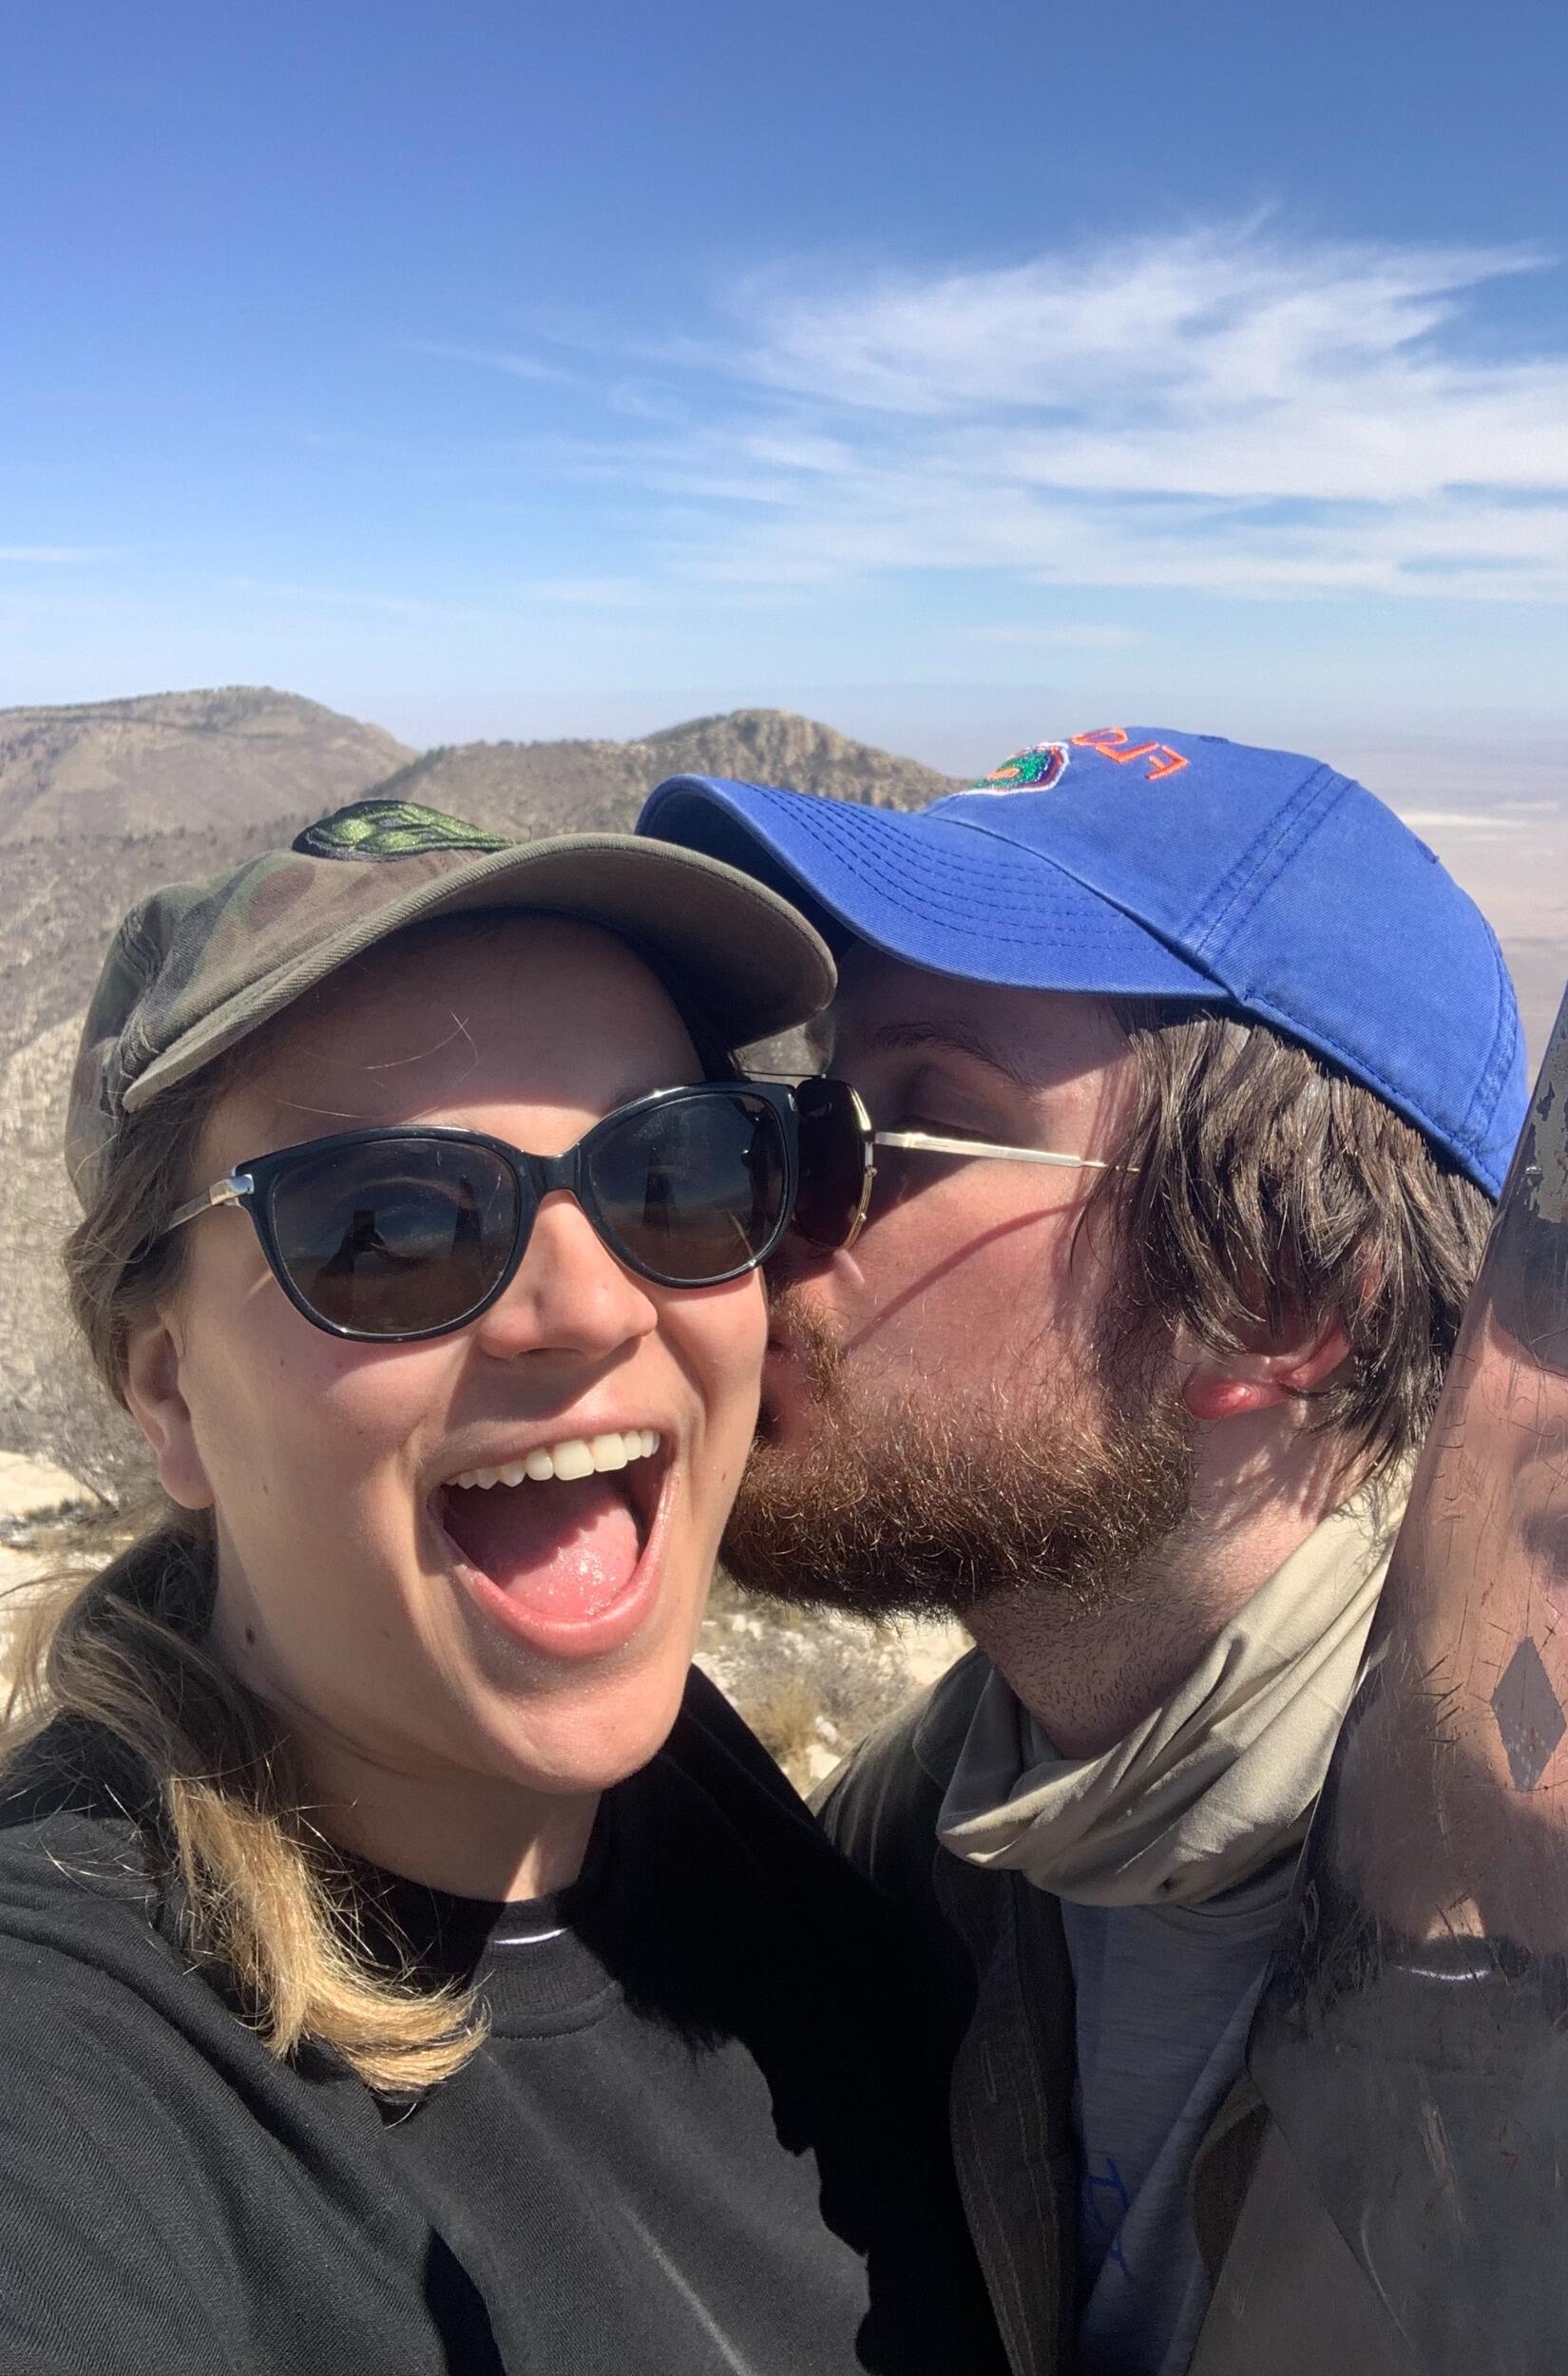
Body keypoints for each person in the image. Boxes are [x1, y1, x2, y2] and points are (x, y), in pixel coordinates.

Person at [0, 797, 1004, 2376]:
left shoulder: (689, 1790)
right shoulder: (74, 2078)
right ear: (169, 1393)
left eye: (677, 1170)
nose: (591, 1304)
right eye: (391, 1227)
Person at [639, 725, 1528, 2376]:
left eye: (899, 1132)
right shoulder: (924, 1853)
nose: (767, 1209)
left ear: (1274, 1300)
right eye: (793, 1115)